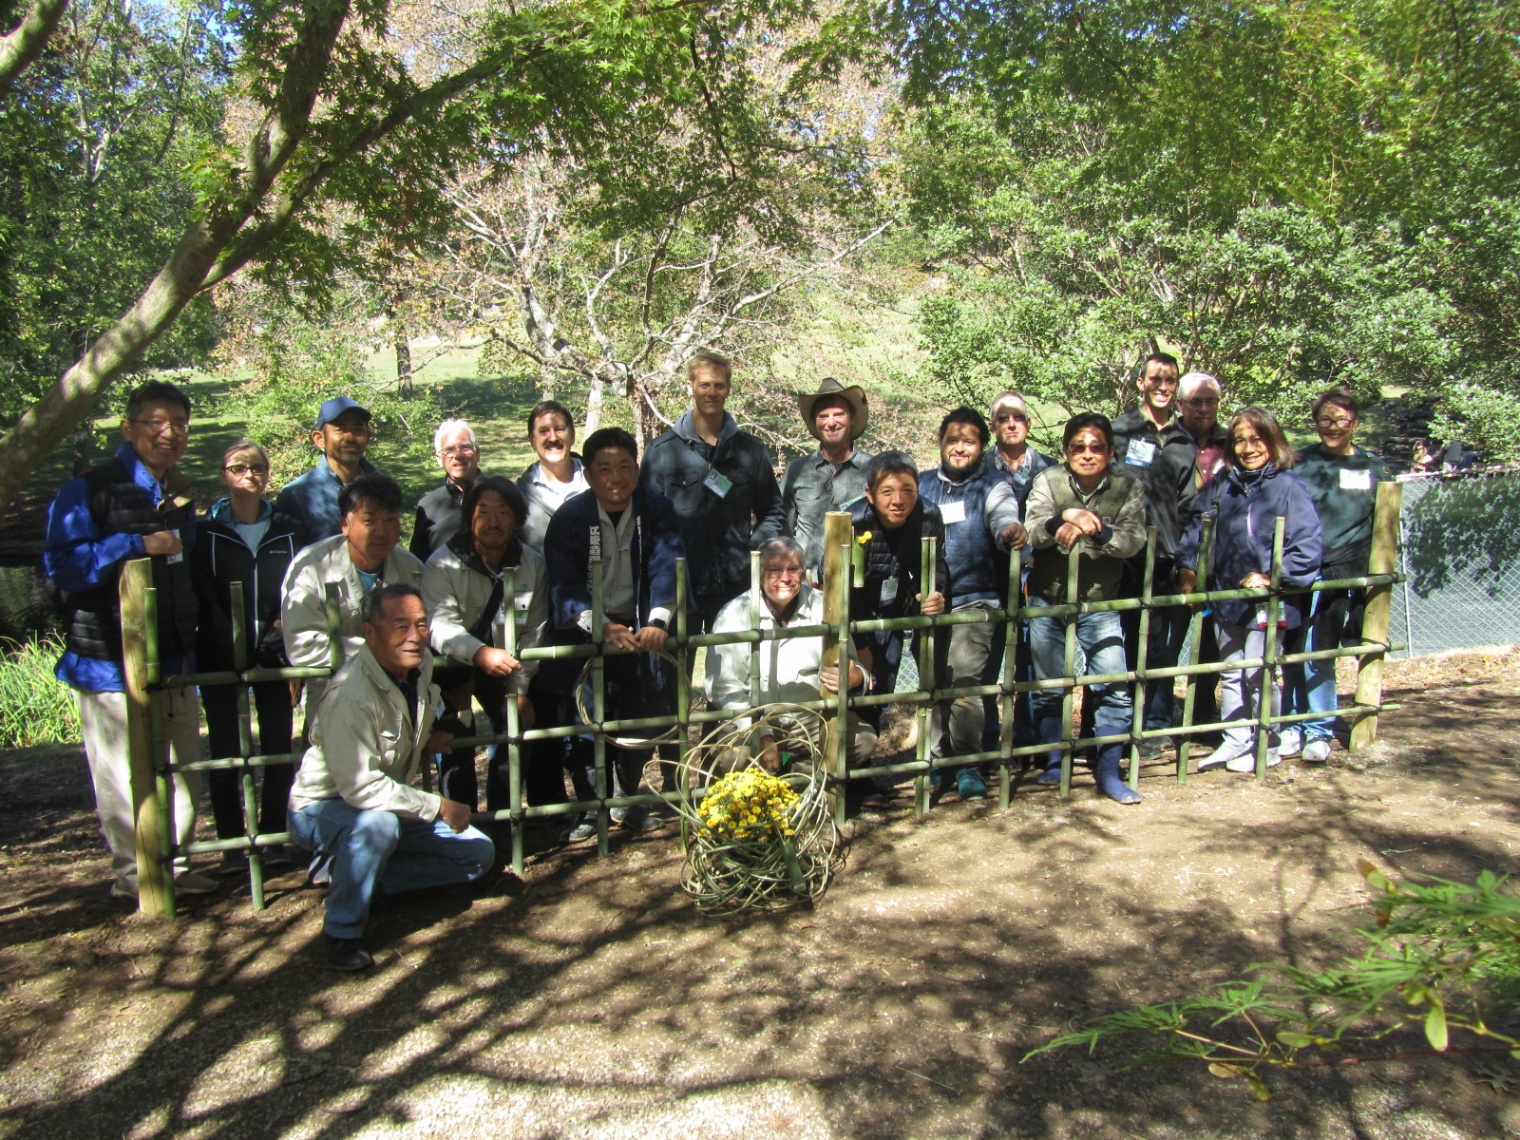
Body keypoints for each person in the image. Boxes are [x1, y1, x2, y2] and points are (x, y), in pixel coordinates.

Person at [43, 380, 216, 897]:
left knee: (185, 769)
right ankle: (137, 876)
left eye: (179, 424)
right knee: (122, 775)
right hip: (109, 662)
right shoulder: (89, 490)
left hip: (175, 657)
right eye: (156, 422)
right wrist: (133, 543)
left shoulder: (179, 492)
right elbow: (62, 568)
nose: (169, 433)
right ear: (128, 428)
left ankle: (176, 867)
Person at [287, 584, 495, 971]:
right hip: (323, 807)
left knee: (477, 853)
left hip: (384, 805)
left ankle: (361, 876)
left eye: (421, 624)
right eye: (401, 626)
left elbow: (417, 708)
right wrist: (437, 805)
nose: (415, 636)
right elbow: (361, 787)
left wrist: (428, 733)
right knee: (378, 826)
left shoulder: (419, 665)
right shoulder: (351, 694)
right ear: (370, 632)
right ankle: (342, 931)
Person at [544, 428, 684, 835]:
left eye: (624, 466)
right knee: (587, 721)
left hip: (642, 625)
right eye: (604, 469)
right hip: (588, 628)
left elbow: (668, 564)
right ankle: (592, 807)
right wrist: (599, 624)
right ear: (588, 475)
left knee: (642, 715)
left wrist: (658, 620)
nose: (615, 477)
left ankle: (626, 797)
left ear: (637, 470)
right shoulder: (570, 518)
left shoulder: (657, 509)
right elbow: (563, 583)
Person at [1177, 408, 1323, 773]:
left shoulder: (1288, 487)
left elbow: (1307, 546)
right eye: (1240, 440)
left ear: (1273, 441)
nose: (1248, 448)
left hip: (1266, 600)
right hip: (1227, 596)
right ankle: (1236, 738)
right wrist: (1189, 565)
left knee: (1259, 672)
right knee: (1230, 671)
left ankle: (1266, 742)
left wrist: (1274, 577)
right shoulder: (1223, 484)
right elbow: (1197, 526)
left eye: (1257, 439)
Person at [193, 441, 304, 874]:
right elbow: (201, 593)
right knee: (227, 750)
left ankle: (273, 837)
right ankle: (231, 846)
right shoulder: (206, 533)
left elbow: (299, 588)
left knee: (277, 748)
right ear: (224, 474)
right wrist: (228, 640)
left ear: (268, 474)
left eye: (257, 467)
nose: (249, 475)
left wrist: (278, 636)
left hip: (276, 655)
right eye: (238, 467)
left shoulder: (288, 530)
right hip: (219, 656)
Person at [1024, 413, 1148, 803]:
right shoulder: (1048, 481)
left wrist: (1096, 528)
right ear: (1065, 451)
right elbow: (1031, 530)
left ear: (1110, 452)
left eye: (1097, 447)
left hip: (1101, 603)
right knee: (1049, 688)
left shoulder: (1128, 487)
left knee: (1113, 685)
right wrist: (1062, 518)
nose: (1087, 454)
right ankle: (1055, 762)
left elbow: (1134, 540)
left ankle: (1109, 772)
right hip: (1048, 599)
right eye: (1078, 447)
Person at [422, 476, 550, 815]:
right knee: (454, 744)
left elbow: (534, 628)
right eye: (483, 511)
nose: (493, 522)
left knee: (516, 731)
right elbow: (438, 624)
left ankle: (502, 820)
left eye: (503, 512)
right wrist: (478, 653)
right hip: (452, 667)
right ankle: (461, 821)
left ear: (518, 519)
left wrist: (520, 688)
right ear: (469, 517)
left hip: (506, 665)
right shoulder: (442, 564)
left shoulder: (532, 565)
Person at [917, 408, 1025, 801]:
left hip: (976, 599)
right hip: (928, 602)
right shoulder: (921, 484)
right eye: (952, 440)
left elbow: (1003, 518)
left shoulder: (994, 487)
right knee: (932, 685)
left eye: (969, 441)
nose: (960, 448)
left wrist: (1009, 531)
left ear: (982, 446)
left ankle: (967, 764)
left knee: (964, 682)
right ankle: (933, 762)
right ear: (940, 442)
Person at [638, 352, 784, 633]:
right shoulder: (662, 451)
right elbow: (645, 520)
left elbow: (773, 511)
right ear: (690, 386)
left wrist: (752, 550)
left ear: (728, 389)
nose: (712, 392)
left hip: (735, 584)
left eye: (719, 385)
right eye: (704, 384)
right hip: (680, 585)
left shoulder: (751, 451)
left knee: (735, 660)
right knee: (675, 660)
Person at [706, 537, 877, 773]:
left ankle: (796, 778)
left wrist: (856, 677)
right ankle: (776, 783)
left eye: (793, 569)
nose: (785, 578)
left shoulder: (824, 606)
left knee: (863, 741)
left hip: (811, 717)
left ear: (802, 571)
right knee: (731, 758)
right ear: (759, 572)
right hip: (754, 717)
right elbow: (724, 688)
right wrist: (761, 732)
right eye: (775, 570)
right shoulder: (734, 614)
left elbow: (853, 665)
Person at [1282, 389, 1388, 763]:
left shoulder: (1373, 468)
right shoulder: (1299, 462)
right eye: (1325, 419)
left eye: (1341, 419)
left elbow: (1384, 523)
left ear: (1354, 423)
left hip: (1342, 572)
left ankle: (1318, 729)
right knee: (1292, 650)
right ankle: (1290, 726)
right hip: (1298, 568)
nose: (1333, 427)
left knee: (1319, 652)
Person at [1109, 353, 1199, 758]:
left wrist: (1187, 561)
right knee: (1118, 645)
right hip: (1122, 558)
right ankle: (1114, 728)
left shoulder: (1183, 440)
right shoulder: (1120, 431)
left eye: (1170, 380)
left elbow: (1190, 506)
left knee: (1159, 647)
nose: (1163, 386)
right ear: (1140, 382)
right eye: (1156, 379)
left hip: (1166, 559)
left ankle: (1153, 729)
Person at [849, 451, 949, 806]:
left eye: (907, 490)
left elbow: (936, 565)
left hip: (894, 610)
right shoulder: (854, 522)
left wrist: (934, 591)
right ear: (870, 493)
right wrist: (861, 645)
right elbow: (845, 588)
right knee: (855, 691)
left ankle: (864, 776)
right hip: (854, 614)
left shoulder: (928, 516)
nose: (898, 500)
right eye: (888, 491)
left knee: (881, 692)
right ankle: (849, 778)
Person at [281, 475, 424, 718]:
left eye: (390, 519)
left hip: (399, 691)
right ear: (344, 524)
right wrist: (381, 650)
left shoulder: (411, 567)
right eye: (369, 521)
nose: (382, 531)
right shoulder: (311, 567)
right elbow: (302, 645)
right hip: (333, 690)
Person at [780, 378, 874, 580]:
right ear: (815, 423)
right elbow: (782, 530)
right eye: (823, 416)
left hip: (859, 583)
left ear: (852, 419)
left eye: (839, 414)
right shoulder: (797, 470)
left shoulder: (873, 470)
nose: (831, 423)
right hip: (808, 583)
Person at [275, 397, 383, 543]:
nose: (350, 437)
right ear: (319, 439)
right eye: (340, 430)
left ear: (368, 436)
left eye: (357, 430)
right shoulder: (297, 494)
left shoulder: (382, 487)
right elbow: (287, 551)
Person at [517, 400, 588, 553]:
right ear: (532, 441)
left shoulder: (597, 483)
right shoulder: (519, 497)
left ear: (572, 435)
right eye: (544, 431)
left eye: (559, 429)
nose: (553, 438)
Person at [410, 419, 481, 558]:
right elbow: (418, 563)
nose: (458, 455)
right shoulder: (428, 507)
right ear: (438, 459)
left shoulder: (502, 496)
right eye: (449, 450)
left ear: (477, 453)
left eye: (465, 448)